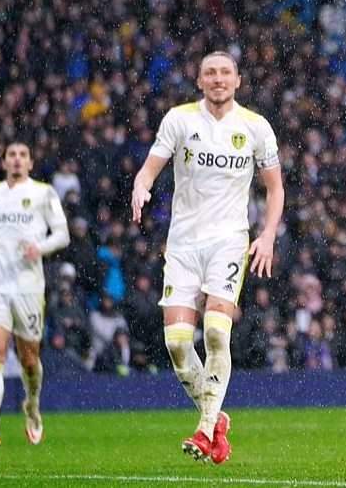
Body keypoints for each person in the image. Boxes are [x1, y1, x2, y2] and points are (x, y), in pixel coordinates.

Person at [131, 51, 284, 464]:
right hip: (182, 245)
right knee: (178, 345)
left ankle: (203, 430)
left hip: (228, 242)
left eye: (225, 73)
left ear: (238, 80)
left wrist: (267, 235)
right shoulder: (179, 120)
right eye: (210, 73)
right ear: (199, 81)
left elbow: (275, 188)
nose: (218, 79)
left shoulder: (255, 127)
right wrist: (141, 186)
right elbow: (149, 168)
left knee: (216, 333)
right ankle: (217, 418)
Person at [0, 141, 70, 446]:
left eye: (23, 155)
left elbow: (62, 233)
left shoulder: (43, 193)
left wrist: (40, 247)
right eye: (12, 155)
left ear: (31, 163)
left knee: (29, 361)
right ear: (4, 161)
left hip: (28, 287)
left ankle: (32, 406)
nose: (18, 160)